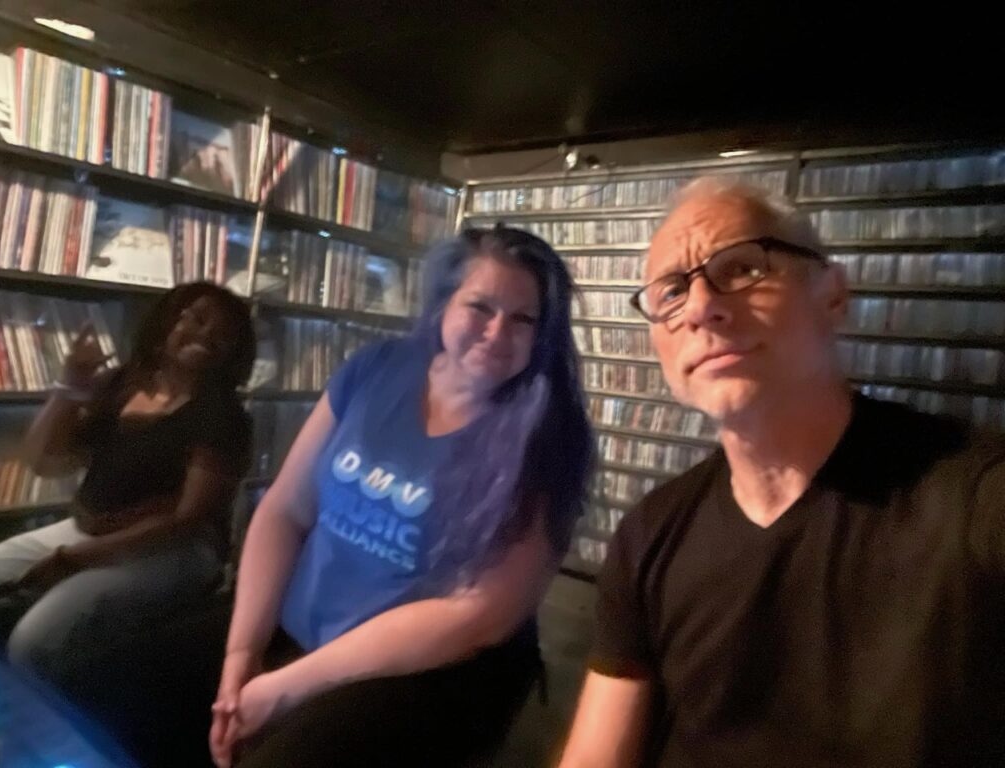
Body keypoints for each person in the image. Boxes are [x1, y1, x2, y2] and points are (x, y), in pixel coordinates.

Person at [559, 178, 1005, 768]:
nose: (700, 308)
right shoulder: (648, 534)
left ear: (832, 295)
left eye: (742, 268)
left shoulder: (975, 496)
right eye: (671, 291)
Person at [209, 225, 595, 768]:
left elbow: (477, 617)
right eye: (480, 307)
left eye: (523, 319)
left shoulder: (551, 439)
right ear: (443, 304)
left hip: (420, 670)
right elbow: (286, 509)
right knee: (118, 683)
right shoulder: (376, 368)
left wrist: (283, 688)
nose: (497, 332)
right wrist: (241, 652)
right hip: (295, 624)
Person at [0, 281, 255, 693]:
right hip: (88, 532)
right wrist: (70, 387)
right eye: (197, 319)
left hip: (174, 552)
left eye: (224, 334)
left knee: (33, 643)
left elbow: (187, 520)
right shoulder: (123, 384)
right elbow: (43, 461)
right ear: (166, 322)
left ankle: (30, 727)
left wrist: (76, 558)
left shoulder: (224, 417)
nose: (207, 336)